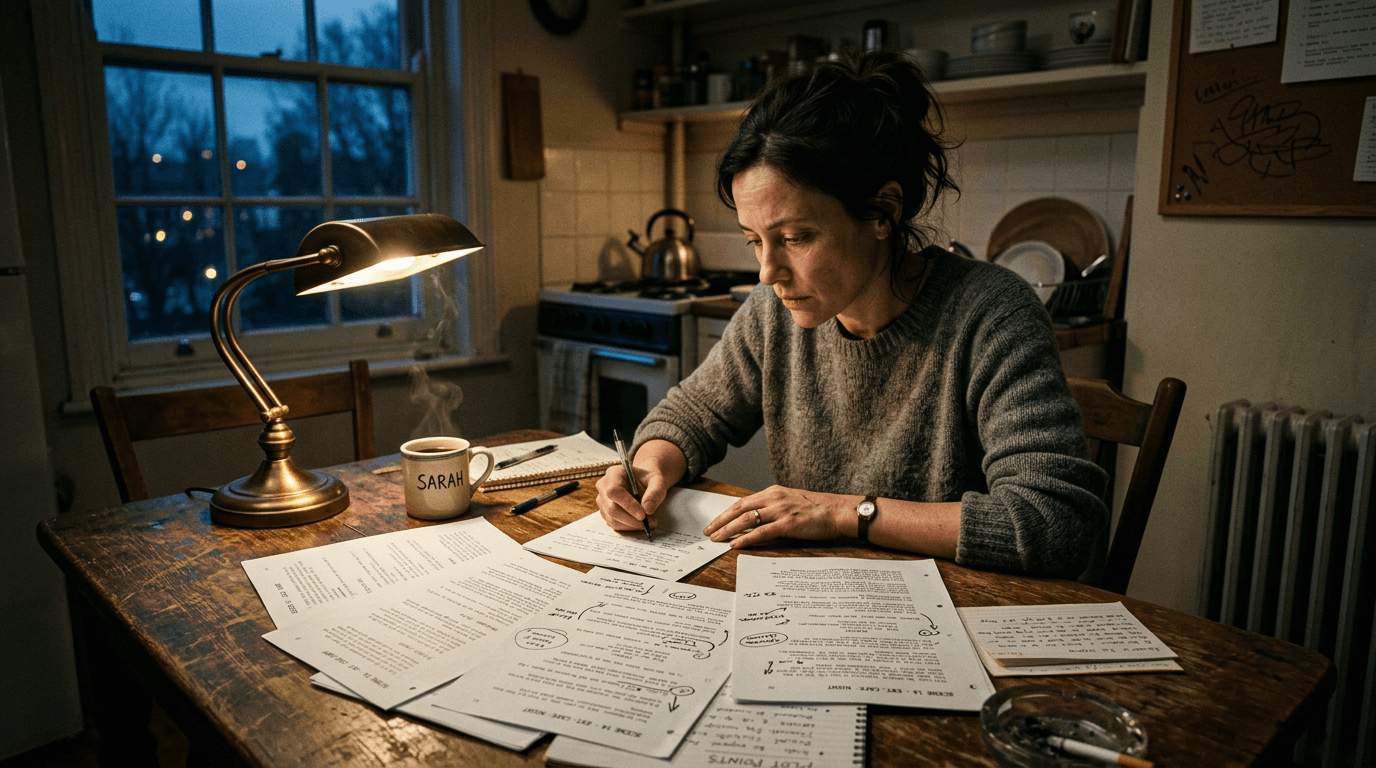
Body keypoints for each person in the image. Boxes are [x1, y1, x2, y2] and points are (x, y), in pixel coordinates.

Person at [594, 49, 1108, 579]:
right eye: (755, 240)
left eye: (795, 237)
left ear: (882, 212)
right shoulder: (774, 314)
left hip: (964, 614)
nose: (769, 272)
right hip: (821, 597)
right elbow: (690, 415)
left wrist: (844, 512)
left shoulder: (992, 315)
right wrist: (647, 464)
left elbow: (1055, 524)